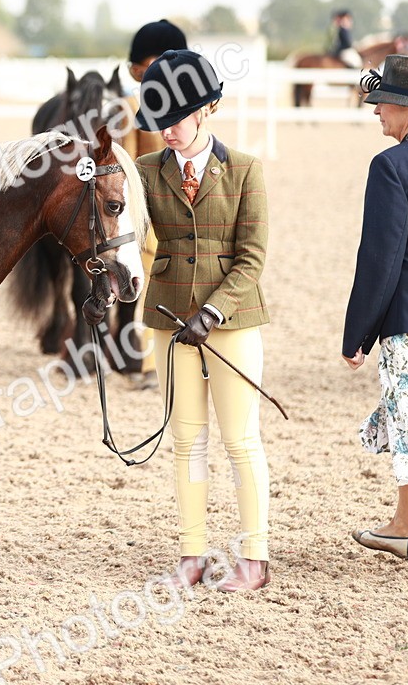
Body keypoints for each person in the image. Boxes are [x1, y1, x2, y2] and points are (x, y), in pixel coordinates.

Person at [134, 49, 272, 592]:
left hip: (232, 322)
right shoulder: (145, 172)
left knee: (240, 439)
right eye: (158, 121)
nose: (165, 130)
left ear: (205, 109)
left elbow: (252, 257)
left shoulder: (245, 170)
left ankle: (254, 559)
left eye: (175, 118)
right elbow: (118, 228)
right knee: (187, 440)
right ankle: (191, 555)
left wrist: (213, 311)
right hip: (170, 319)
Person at [342, 55, 408, 581]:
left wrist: (357, 334)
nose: (375, 110)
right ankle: (405, 525)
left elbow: (380, 260)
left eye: (383, 102)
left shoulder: (391, 166)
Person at [117, 19, 189, 387]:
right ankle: (148, 365)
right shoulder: (130, 107)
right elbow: (125, 165)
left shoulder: (192, 105)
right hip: (151, 214)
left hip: (190, 211)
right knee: (151, 288)